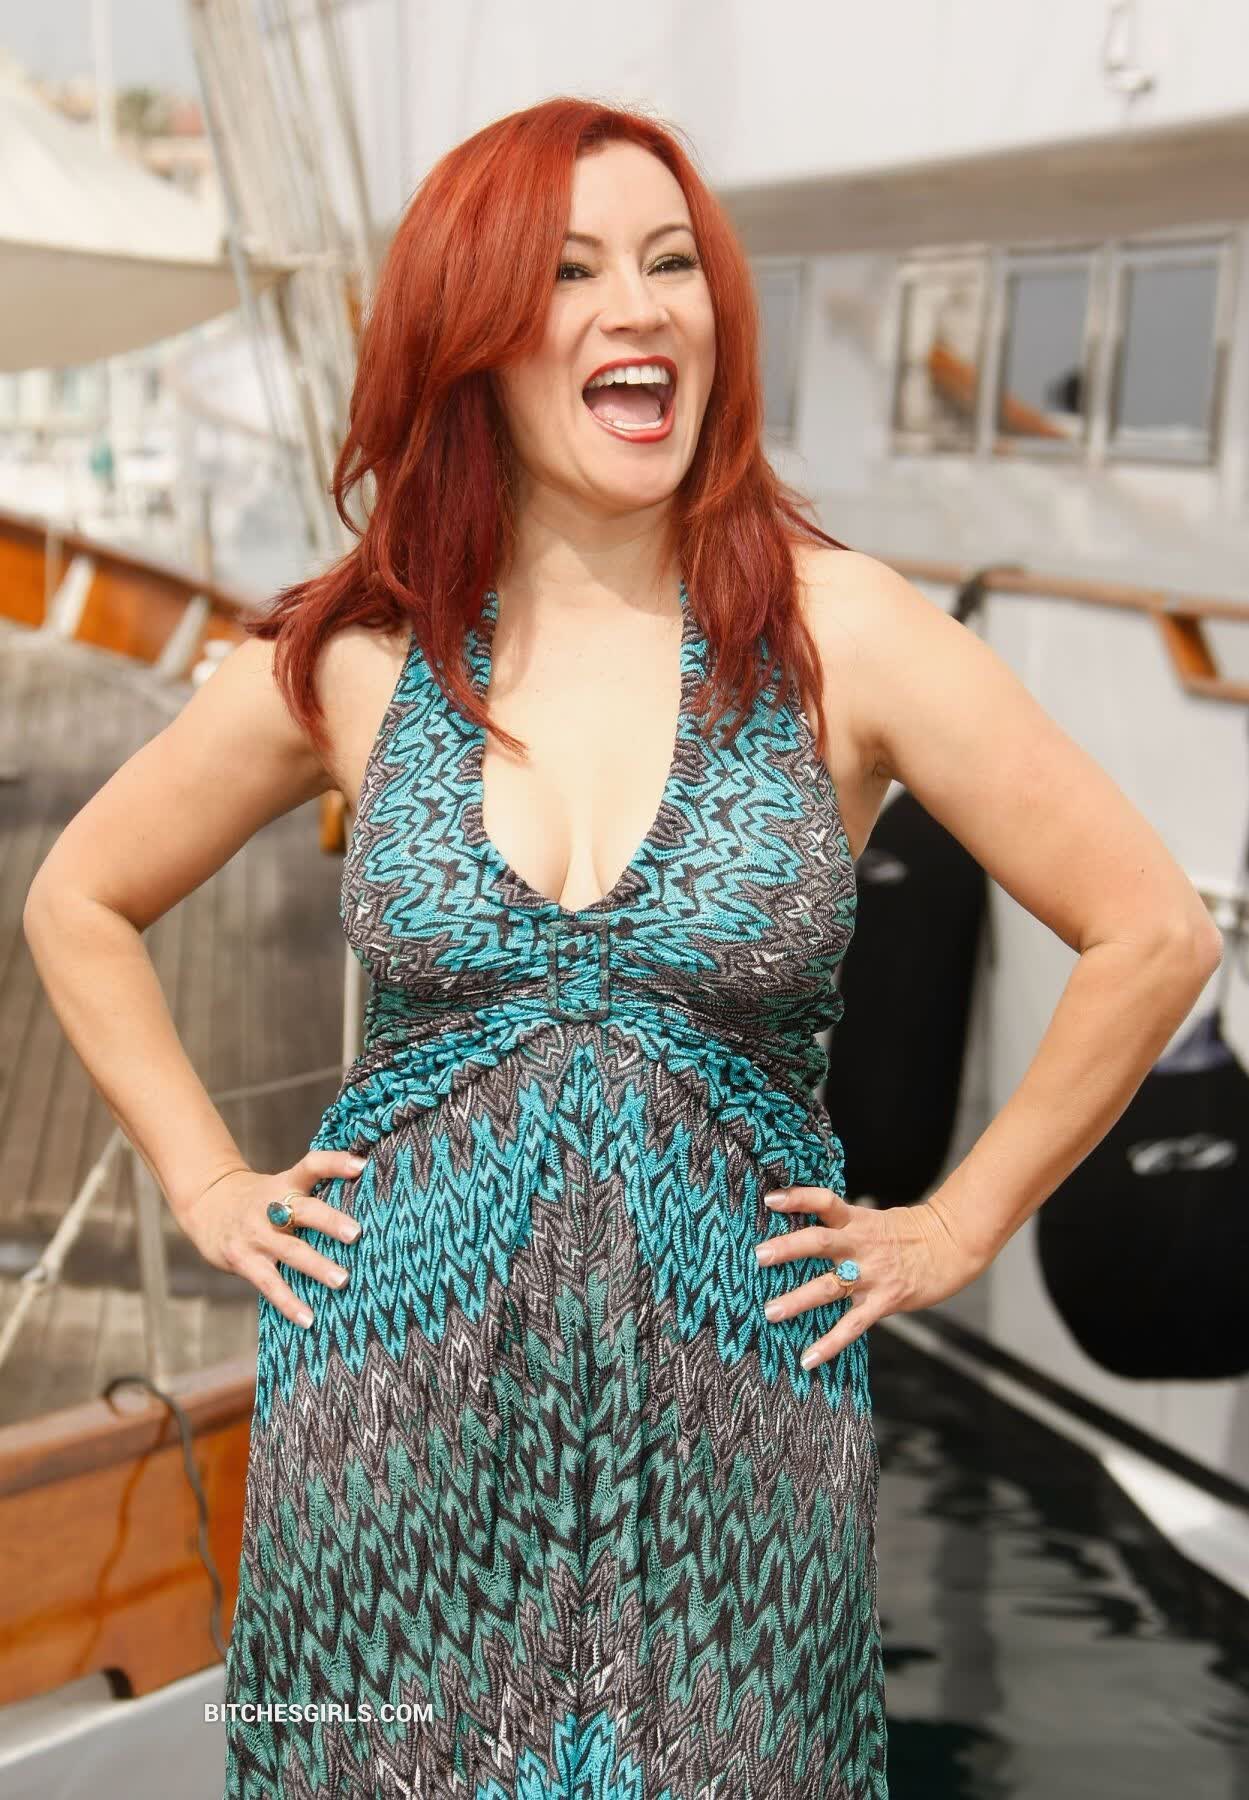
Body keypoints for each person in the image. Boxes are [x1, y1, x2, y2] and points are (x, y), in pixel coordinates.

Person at [22, 97, 1221, 1800]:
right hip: (386, 1415)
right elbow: (78, 899)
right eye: (570, 273)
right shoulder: (360, 654)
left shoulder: (838, 634)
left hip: (734, 1430)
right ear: (472, 337)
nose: (639, 308)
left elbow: (1149, 931)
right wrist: (209, 1181)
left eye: (671, 263)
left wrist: (958, 1224)